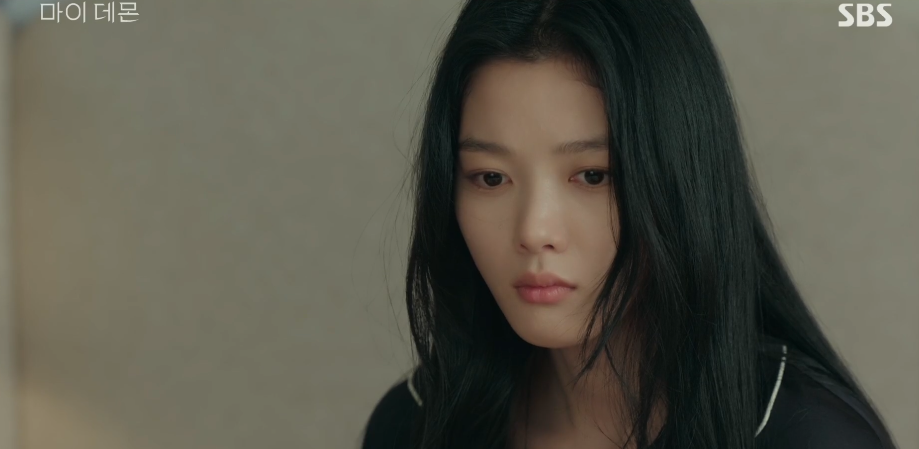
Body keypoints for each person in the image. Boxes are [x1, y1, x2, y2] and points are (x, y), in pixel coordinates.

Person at [362, 1, 898, 448]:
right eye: (491, 178)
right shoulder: (415, 424)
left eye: (593, 176)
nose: (534, 231)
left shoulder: (806, 435)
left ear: (682, 180)